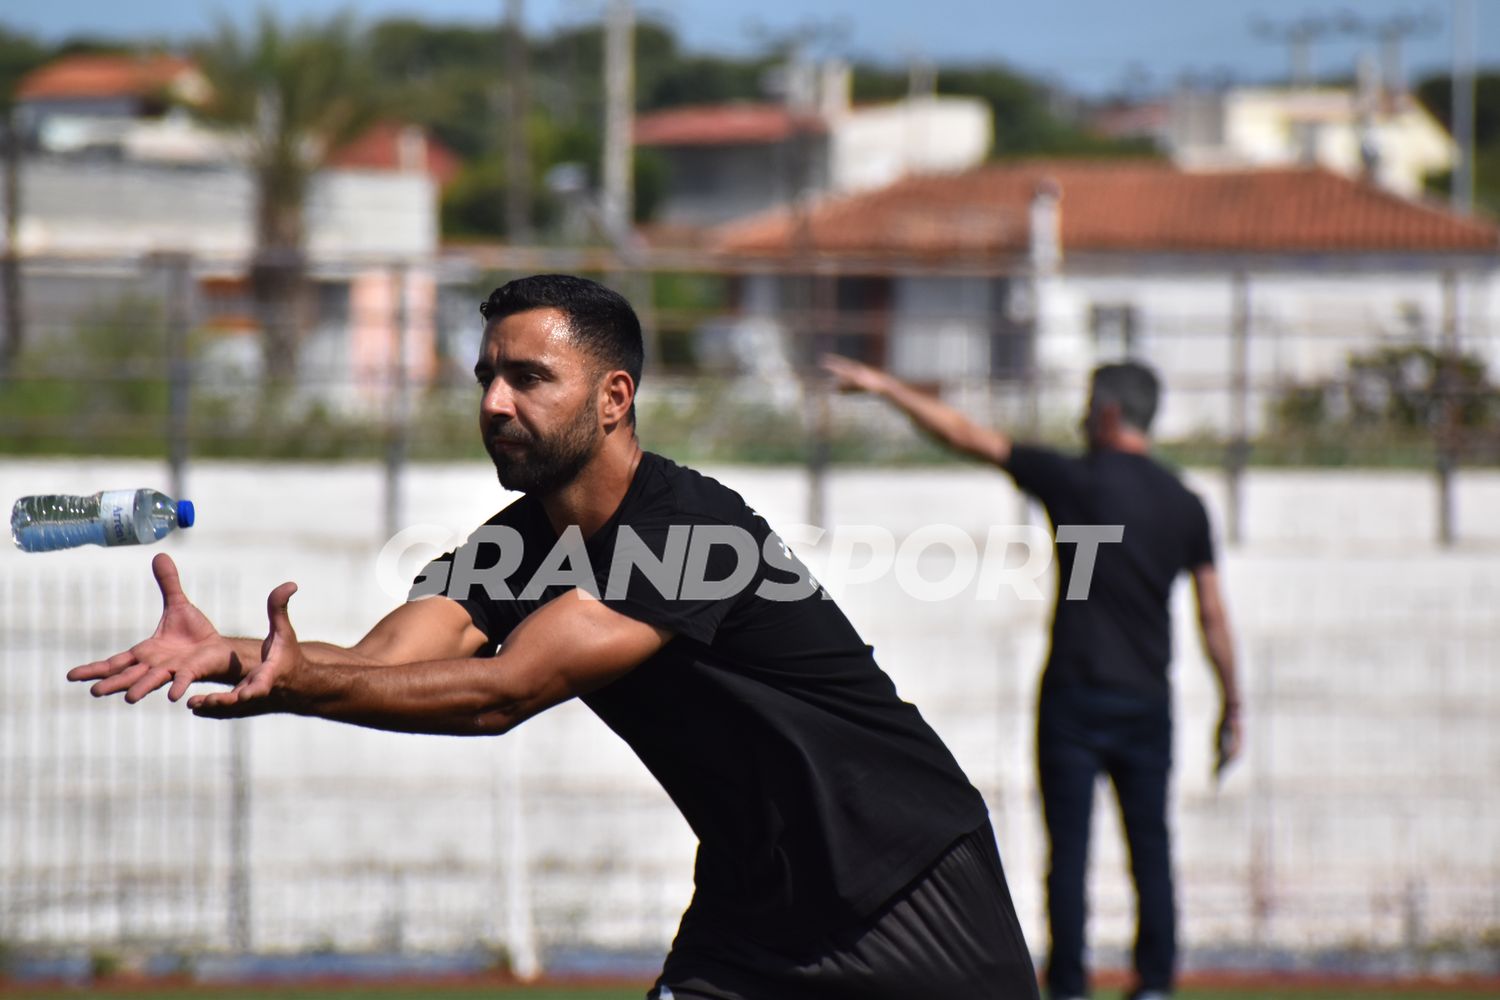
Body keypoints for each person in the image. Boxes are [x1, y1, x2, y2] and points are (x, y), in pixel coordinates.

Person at [68, 275, 1040, 1000]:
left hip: (906, 886)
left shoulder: (691, 532)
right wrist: (241, 652)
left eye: (529, 378)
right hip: (753, 918)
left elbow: (502, 694)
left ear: (614, 398)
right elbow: (383, 661)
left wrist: (298, 686)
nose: (495, 402)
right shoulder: (514, 546)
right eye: (487, 376)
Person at [821, 354, 1242, 1000]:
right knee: (1151, 849)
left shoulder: (1075, 479)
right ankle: (1155, 985)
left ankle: (1069, 986)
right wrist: (1232, 704)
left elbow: (967, 435)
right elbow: (1212, 612)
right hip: (1146, 701)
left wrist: (887, 387)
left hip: (1074, 698)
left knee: (1067, 855)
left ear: (1107, 412)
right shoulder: (1185, 504)